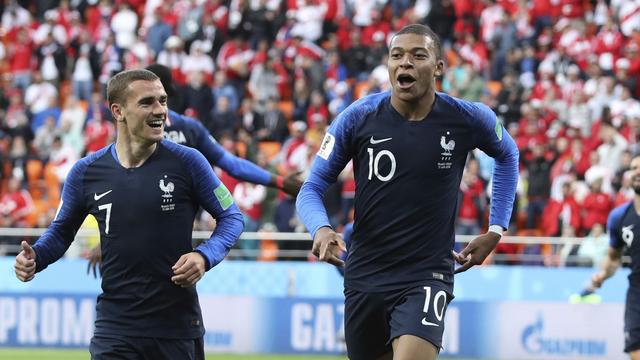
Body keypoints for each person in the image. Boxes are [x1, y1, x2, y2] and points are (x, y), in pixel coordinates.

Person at [296, 24, 519, 360]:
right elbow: (310, 188)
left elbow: (508, 154)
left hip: (427, 273)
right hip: (364, 274)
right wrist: (321, 228)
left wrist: (496, 229)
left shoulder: (467, 118)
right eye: (396, 56)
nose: (405, 63)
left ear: (439, 66)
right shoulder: (357, 118)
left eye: (418, 55)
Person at [14, 69, 245, 359]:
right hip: (115, 327)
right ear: (118, 111)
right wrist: (37, 257)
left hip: (176, 327)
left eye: (162, 101)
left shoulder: (188, 162)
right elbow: (61, 231)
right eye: (147, 102)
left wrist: (204, 255)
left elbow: (232, 218)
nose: (160, 110)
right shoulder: (86, 172)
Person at [85, 63, 303, 276]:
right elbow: (231, 164)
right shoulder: (188, 128)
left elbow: (123, 189)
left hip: (148, 235)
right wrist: (279, 181)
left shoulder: (135, 131)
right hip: (177, 232)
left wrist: (109, 240)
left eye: (160, 99)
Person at [582, 153, 640, 359]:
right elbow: (614, 258)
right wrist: (602, 275)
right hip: (637, 292)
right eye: (634, 168)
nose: (637, 171)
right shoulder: (619, 217)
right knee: (635, 349)